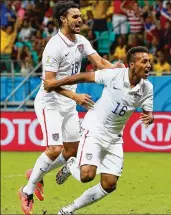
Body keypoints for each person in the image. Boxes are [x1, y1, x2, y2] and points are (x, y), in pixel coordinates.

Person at [18, 1, 124, 215]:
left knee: (71, 151)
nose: (80, 19)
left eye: (80, 16)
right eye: (75, 16)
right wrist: (74, 95)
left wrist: (117, 70)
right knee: (55, 148)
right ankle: (27, 191)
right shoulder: (54, 46)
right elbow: (49, 83)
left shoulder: (81, 41)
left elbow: (99, 62)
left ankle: (36, 173)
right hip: (50, 102)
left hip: (68, 103)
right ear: (62, 19)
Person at [42, 46, 154, 214]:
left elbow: (148, 113)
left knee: (110, 184)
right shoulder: (114, 75)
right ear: (131, 64)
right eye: (144, 61)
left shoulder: (147, 88)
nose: (148, 65)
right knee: (86, 175)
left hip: (115, 137)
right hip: (94, 129)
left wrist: (150, 117)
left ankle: (69, 210)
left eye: (149, 62)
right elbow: (84, 77)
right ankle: (71, 164)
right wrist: (56, 83)